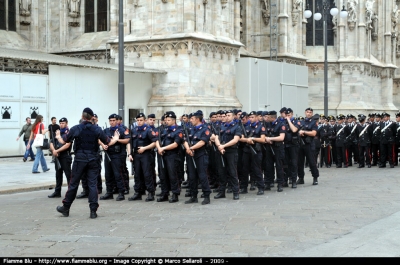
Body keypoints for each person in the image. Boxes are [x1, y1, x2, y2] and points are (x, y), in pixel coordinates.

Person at [55, 107, 117, 219]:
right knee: (92, 184)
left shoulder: (76, 128)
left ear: (82, 116)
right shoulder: (97, 129)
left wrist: (58, 136)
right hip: (93, 159)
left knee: (73, 183)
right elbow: (108, 141)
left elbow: (64, 141)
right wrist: (116, 138)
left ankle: (66, 207)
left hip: (80, 159)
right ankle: (93, 211)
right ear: (92, 117)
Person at [183, 110, 212, 205]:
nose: (190, 120)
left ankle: (206, 195)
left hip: (201, 155)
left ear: (198, 119)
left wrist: (191, 148)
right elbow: (185, 140)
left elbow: (202, 142)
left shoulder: (205, 129)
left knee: (202, 176)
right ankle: (193, 196)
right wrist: (188, 149)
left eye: (192, 118)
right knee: (191, 176)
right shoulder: (191, 129)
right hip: (191, 155)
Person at [99, 114, 130, 201]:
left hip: (118, 155)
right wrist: (103, 145)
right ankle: (109, 192)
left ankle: (121, 193)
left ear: (117, 121)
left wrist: (117, 140)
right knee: (108, 174)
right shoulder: (106, 130)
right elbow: (99, 139)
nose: (112, 122)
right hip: (108, 154)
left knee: (118, 174)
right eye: (110, 121)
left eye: (113, 120)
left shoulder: (122, 130)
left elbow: (127, 140)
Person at [213, 110, 242, 200]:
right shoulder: (221, 126)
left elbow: (235, 140)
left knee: (232, 172)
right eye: (226, 115)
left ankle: (235, 192)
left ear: (233, 116)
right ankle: (222, 192)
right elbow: (216, 137)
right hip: (221, 151)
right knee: (221, 172)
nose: (227, 117)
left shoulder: (237, 127)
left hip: (231, 151)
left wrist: (223, 146)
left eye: (229, 115)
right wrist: (219, 146)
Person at [155, 111, 183, 203]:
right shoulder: (164, 130)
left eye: (169, 120)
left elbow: (176, 144)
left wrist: (163, 148)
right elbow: (157, 140)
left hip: (173, 155)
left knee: (173, 175)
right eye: (166, 120)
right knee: (163, 175)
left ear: (174, 120)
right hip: (163, 155)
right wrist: (159, 148)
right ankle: (164, 193)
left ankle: (175, 193)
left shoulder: (179, 130)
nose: (166, 121)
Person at [128, 113, 156, 202]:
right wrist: (130, 154)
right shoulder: (134, 130)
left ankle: (151, 193)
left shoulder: (148, 130)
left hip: (146, 155)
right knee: (137, 174)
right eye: (138, 120)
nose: (139, 122)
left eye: (141, 120)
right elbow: (130, 142)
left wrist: (144, 148)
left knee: (147, 174)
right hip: (136, 155)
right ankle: (138, 192)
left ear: (145, 120)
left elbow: (154, 143)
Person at [239, 111, 266, 195]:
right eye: (250, 117)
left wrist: (253, 139)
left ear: (257, 117)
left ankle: (261, 187)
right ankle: (244, 187)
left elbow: (262, 139)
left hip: (256, 151)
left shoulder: (260, 127)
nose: (251, 119)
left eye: (253, 117)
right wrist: (247, 140)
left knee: (256, 169)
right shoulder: (246, 127)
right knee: (244, 169)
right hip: (247, 150)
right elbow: (241, 138)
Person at [48, 117, 72, 198]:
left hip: (65, 156)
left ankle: (71, 192)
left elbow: (67, 145)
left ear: (66, 123)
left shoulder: (68, 133)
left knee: (68, 175)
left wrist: (57, 151)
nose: (61, 125)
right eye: (60, 123)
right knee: (58, 175)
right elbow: (51, 142)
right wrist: (54, 150)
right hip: (58, 156)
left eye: (63, 123)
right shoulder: (57, 132)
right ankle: (57, 192)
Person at [297, 108, 319, 185]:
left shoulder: (313, 123)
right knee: (300, 162)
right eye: (307, 112)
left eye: (310, 112)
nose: (309, 113)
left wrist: (304, 132)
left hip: (309, 144)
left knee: (312, 162)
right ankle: (301, 178)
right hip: (301, 144)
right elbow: (297, 130)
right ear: (305, 113)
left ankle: (315, 177)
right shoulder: (301, 122)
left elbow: (313, 133)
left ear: (312, 114)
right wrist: (300, 132)